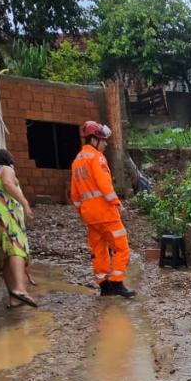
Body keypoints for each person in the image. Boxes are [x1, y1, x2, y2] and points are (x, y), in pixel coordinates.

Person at [70, 122, 134, 298]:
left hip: (90, 216)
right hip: (106, 213)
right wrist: (117, 203)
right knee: (122, 248)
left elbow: (74, 194)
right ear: (94, 139)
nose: (106, 144)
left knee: (99, 250)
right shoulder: (97, 158)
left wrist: (83, 212)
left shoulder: (77, 161)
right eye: (103, 140)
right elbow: (104, 185)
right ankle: (117, 282)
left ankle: (104, 286)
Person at [0, 147, 37, 308]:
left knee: (4, 256)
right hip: (5, 214)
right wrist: (25, 203)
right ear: (10, 161)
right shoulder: (6, 169)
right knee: (17, 250)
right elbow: (7, 183)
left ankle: (14, 297)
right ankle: (20, 289)